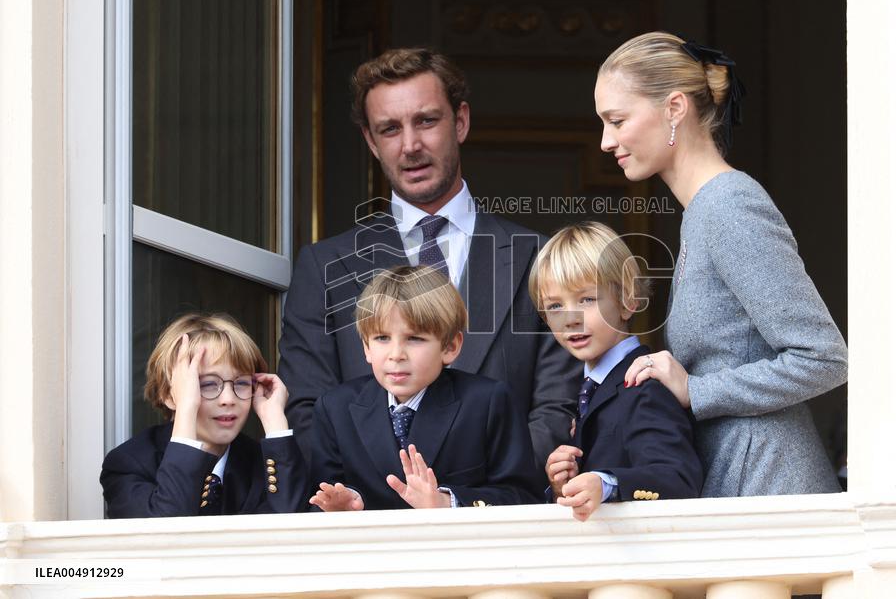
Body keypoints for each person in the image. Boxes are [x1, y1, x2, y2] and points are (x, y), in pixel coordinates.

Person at [279, 47, 577, 467]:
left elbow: (556, 407)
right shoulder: (323, 266)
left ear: (461, 121)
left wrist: (471, 501)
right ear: (370, 140)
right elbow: (306, 411)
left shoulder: (538, 258)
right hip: (370, 520)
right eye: (389, 129)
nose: (410, 145)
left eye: (426, 121)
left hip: (497, 517)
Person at [594, 32, 848, 497]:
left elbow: (824, 359)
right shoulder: (701, 212)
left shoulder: (730, 204)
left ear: (674, 108)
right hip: (736, 474)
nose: (606, 141)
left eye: (617, 120)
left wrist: (697, 391)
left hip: (768, 482)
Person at [309, 265, 542, 511]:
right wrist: (340, 506)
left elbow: (523, 496)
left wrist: (447, 502)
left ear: (450, 347)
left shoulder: (488, 402)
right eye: (382, 338)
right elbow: (319, 496)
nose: (396, 354)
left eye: (415, 338)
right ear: (366, 346)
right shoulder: (335, 408)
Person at [530, 222, 702, 521]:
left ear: (628, 301)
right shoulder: (590, 388)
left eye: (587, 299)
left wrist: (605, 483)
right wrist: (563, 486)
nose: (570, 319)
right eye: (555, 306)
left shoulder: (645, 383)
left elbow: (677, 477)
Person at [101, 313, 308, 517]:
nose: (228, 399)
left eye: (242, 383)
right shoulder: (130, 463)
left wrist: (275, 420)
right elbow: (167, 533)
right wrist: (186, 408)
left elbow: (292, 529)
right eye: (208, 384)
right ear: (168, 393)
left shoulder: (263, 461)